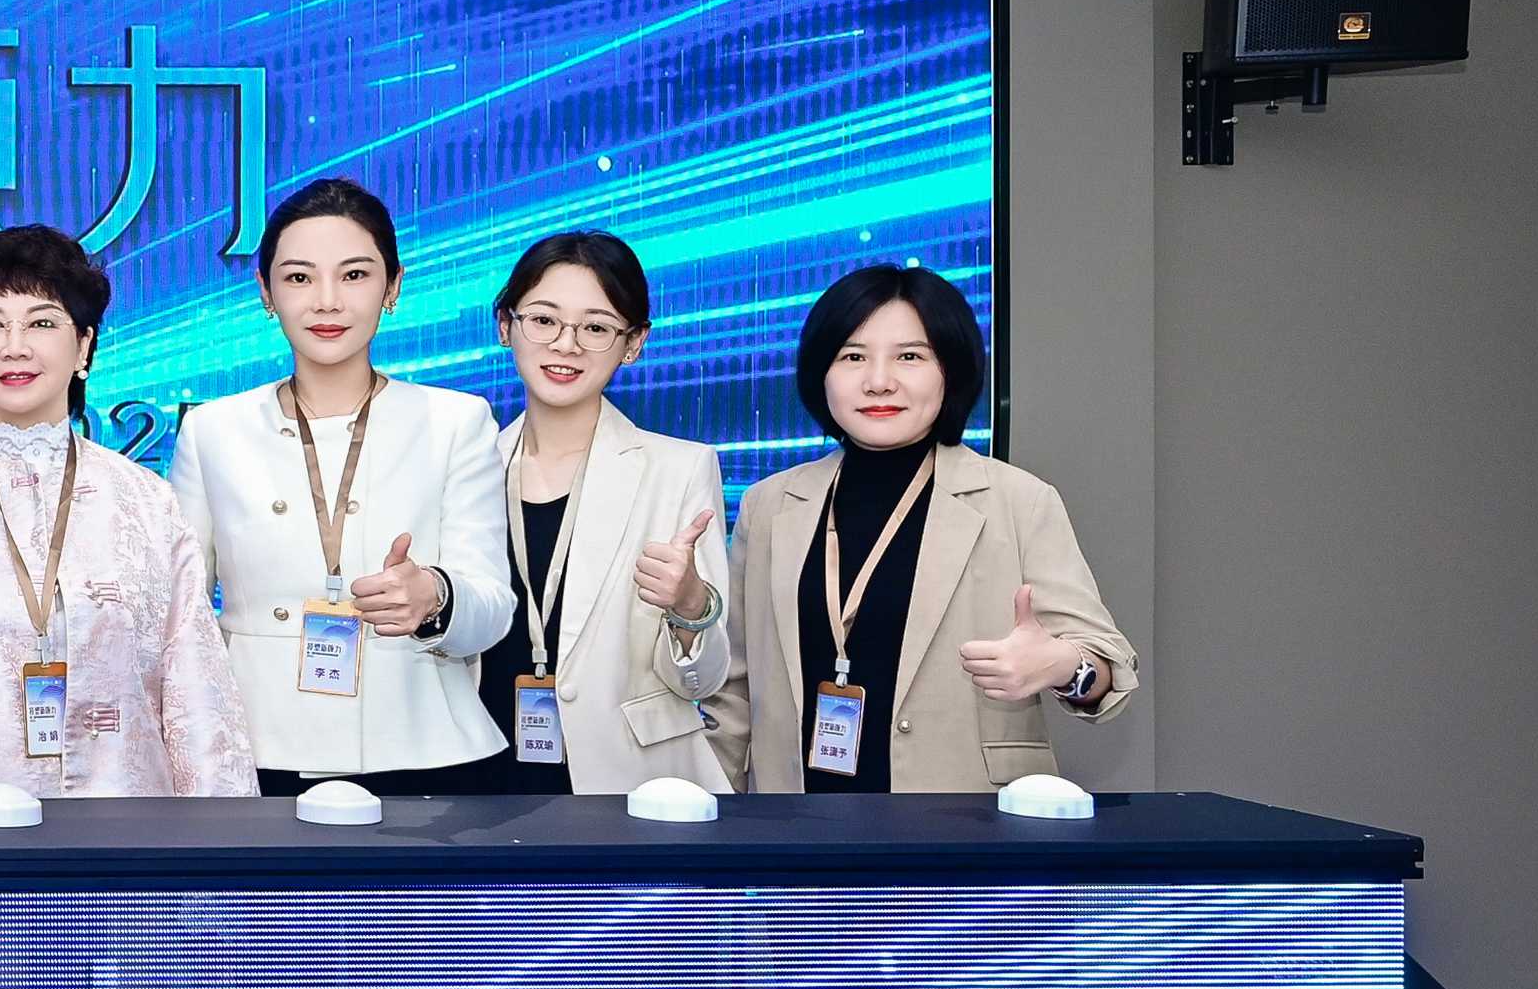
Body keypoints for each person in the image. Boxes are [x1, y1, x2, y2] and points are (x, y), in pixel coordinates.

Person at [0, 224, 254, 800]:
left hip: (128, 820)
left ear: (83, 345)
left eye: (41, 322)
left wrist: (220, 832)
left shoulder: (146, 502)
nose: (15, 347)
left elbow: (197, 686)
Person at [713, 264, 1138, 794]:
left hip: (964, 820)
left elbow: (1106, 669)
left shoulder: (1018, 500)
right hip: (795, 818)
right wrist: (710, 814)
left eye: (910, 357)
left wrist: (1062, 666)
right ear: (821, 374)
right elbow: (733, 688)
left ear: (950, 371)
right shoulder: (769, 505)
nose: (878, 381)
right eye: (853, 357)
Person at [164, 179, 514, 795]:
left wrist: (434, 595)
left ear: (393, 286)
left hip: (422, 747)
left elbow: (491, 607)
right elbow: (180, 613)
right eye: (299, 278)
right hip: (257, 745)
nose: (327, 302)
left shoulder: (455, 421)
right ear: (266, 292)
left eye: (354, 275)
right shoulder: (214, 431)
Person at [460, 231, 733, 795]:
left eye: (596, 327)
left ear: (633, 343)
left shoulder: (678, 469)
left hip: (623, 782)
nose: (567, 345)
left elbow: (702, 682)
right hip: (478, 778)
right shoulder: (465, 468)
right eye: (544, 320)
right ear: (505, 325)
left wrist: (690, 606)